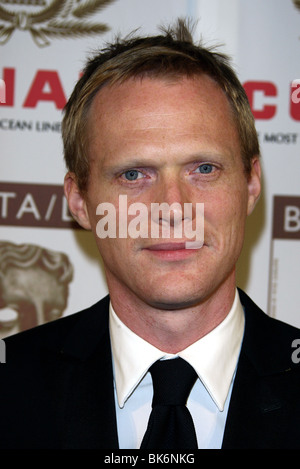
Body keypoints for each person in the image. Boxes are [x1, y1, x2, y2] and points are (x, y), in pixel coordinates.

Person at [1, 19, 300, 450]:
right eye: (133, 174)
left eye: (204, 169)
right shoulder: (10, 387)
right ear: (80, 199)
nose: (173, 208)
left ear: (251, 184)